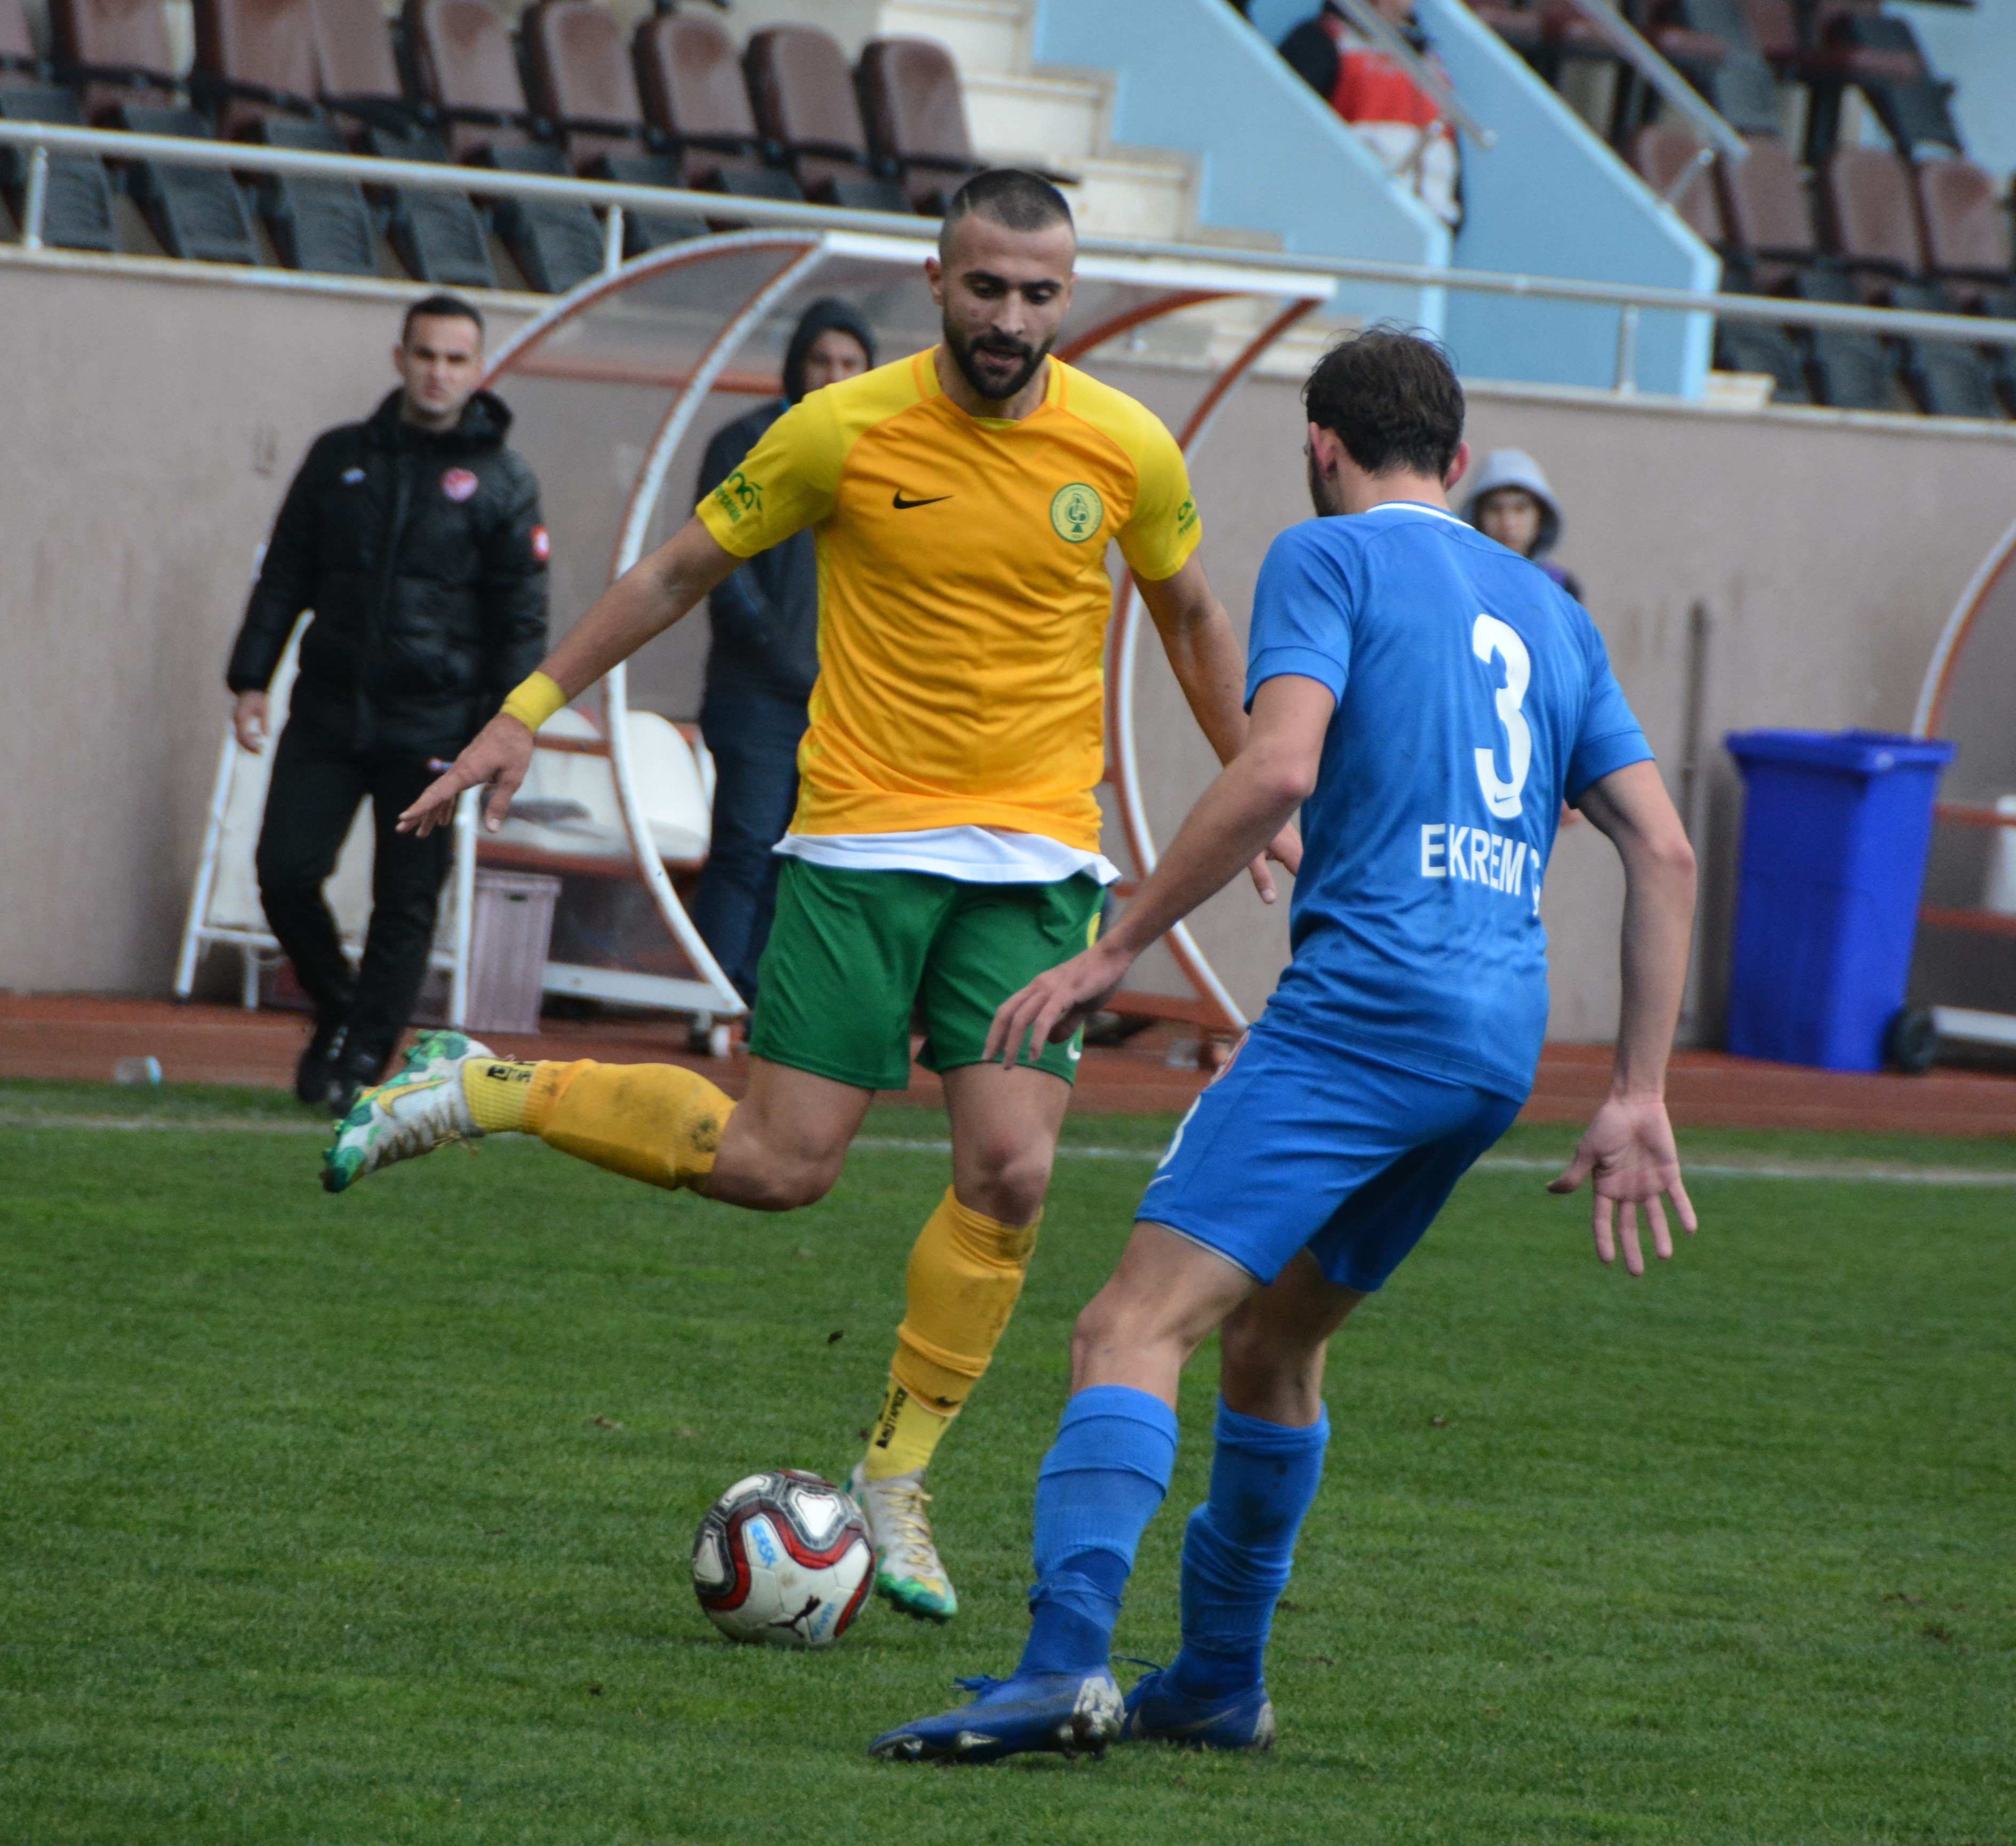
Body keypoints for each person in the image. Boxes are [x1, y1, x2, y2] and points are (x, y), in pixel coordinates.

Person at [317, 170, 1297, 1628]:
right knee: (784, 1165)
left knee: (1014, 1174)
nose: (1012, 319)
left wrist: (1251, 776)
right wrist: (528, 708)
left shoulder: (1127, 446)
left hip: (1035, 866)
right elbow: (679, 567)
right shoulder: (844, 426)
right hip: (855, 847)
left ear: (1065, 297)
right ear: (938, 280)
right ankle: (495, 1086)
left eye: (1040, 295)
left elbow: (1198, 617)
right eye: (987, 289)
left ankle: (896, 1483)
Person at [870, 328, 1698, 1763]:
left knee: (1127, 1327)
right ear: (1456, 456)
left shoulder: (1328, 558)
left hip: (1366, 1007)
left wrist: (1116, 944)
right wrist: (1636, 1090)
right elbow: (1665, 847)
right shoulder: (1551, 611)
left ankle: (1059, 1664)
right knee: (1274, 1345)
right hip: (1495, 1042)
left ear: (1320, 445)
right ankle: (1218, 1679)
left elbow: (1278, 765)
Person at [226, 295, 549, 1114]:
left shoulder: (505, 481)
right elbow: (286, 572)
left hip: (436, 726)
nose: (439, 372)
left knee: (404, 902)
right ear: (400, 357)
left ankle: (363, 1054)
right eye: (426, 354)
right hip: (329, 712)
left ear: (479, 371)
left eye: (456, 359)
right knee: (285, 872)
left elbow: (521, 620)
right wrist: (250, 675)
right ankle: (339, 1005)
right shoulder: (338, 457)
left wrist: (506, 726)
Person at [688, 299, 876, 1009]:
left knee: (804, 858)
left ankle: (762, 999)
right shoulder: (744, 440)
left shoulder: (884, 447)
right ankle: (712, 999)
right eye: (820, 360)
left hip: (847, 697)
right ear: (796, 364)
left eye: (850, 363)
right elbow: (716, 566)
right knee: (744, 843)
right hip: (756, 695)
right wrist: (776, 648)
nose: (833, 375)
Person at [1281, 0, 1462, 230]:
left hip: (1431, 233)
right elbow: (1291, 144)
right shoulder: (1318, 41)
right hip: (1347, 227)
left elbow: (1449, 160)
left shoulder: (1431, 63)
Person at [1463, 447, 1584, 603]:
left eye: (1520, 509)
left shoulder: (1563, 588)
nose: (1508, 523)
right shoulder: (1461, 583)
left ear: (1541, 517)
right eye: (1495, 509)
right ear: (1477, 517)